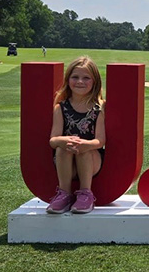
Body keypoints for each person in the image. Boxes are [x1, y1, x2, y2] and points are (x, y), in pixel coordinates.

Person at [46, 56, 106, 214]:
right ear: (68, 79)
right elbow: (53, 140)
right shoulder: (61, 108)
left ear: (95, 81)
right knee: (62, 148)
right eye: (75, 77)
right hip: (67, 163)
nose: (80, 81)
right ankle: (64, 194)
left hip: (92, 161)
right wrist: (63, 140)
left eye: (86, 78)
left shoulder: (99, 108)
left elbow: (100, 140)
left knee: (82, 150)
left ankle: (86, 193)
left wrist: (85, 144)